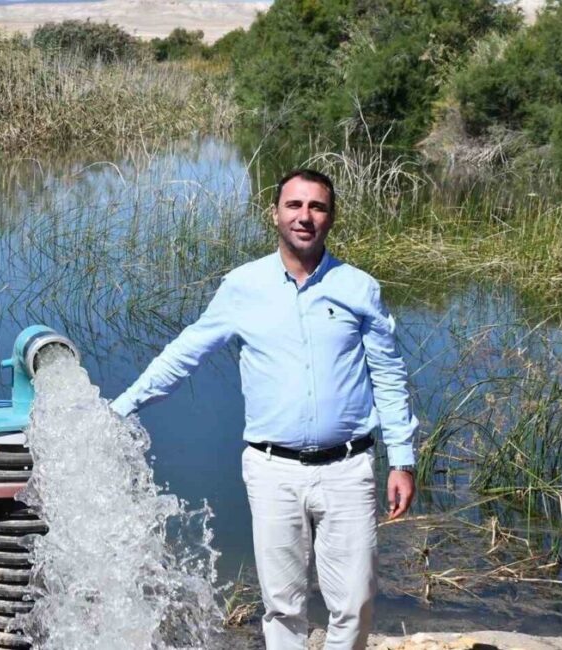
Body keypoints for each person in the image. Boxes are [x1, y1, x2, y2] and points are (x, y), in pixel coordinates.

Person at [110, 169, 417, 649]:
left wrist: (402, 458)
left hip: (348, 466)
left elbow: (389, 376)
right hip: (273, 469)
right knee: (283, 606)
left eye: (317, 207)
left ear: (330, 218)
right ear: (274, 214)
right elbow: (185, 352)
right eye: (294, 205)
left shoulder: (359, 288)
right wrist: (122, 408)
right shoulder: (243, 286)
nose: (305, 216)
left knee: (355, 602)